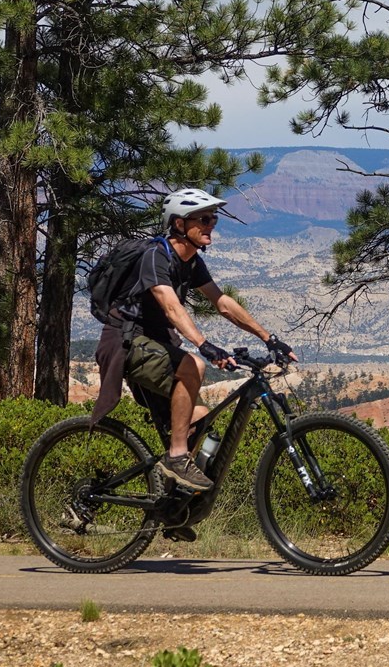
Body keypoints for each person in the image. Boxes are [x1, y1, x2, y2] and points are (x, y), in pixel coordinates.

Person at [93, 188, 297, 493]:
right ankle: (177, 457)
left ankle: (171, 504)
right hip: (126, 342)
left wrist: (269, 338)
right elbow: (170, 306)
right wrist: (204, 345)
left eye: (213, 219)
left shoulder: (191, 262)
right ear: (179, 224)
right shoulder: (156, 256)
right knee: (193, 367)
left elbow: (222, 302)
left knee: (200, 418)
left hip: (157, 344)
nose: (210, 225)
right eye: (203, 219)